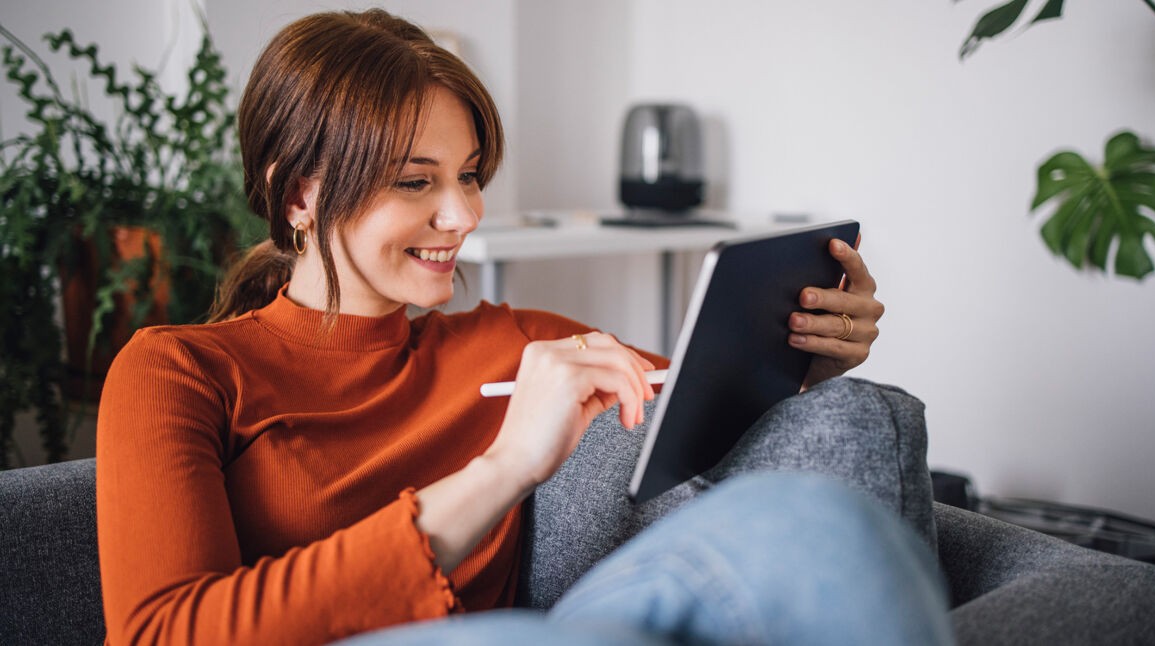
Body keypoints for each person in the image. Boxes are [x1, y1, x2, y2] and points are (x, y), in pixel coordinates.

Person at [95, 8, 954, 646]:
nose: (463, 213)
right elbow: (162, 632)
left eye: (468, 176)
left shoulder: (516, 345)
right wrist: (506, 467)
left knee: (823, 526)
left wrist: (809, 352)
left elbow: (702, 392)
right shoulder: (179, 371)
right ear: (298, 194)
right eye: (414, 182)